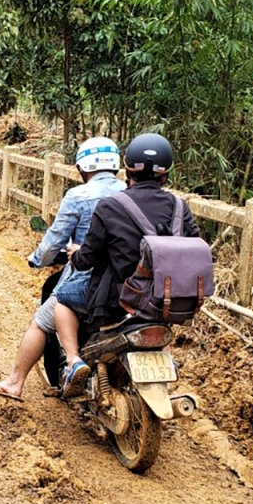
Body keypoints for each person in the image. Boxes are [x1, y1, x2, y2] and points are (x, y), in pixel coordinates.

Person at [54, 132, 200, 397]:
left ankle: (74, 361)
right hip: (167, 303)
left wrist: (75, 254)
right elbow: (194, 247)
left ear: (127, 169)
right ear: (165, 175)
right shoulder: (180, 207)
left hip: (117, 302)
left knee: (62, 300)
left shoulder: (111, 206)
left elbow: (87, 259)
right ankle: (164, 357)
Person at [0, 136, 126, 401]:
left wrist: (37, 259)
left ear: (83, 168)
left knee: (40, 323)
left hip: (87, 279)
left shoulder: (78, 196)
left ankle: (16, 382)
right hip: (130, 283)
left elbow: (55, 240)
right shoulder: (130, 194)